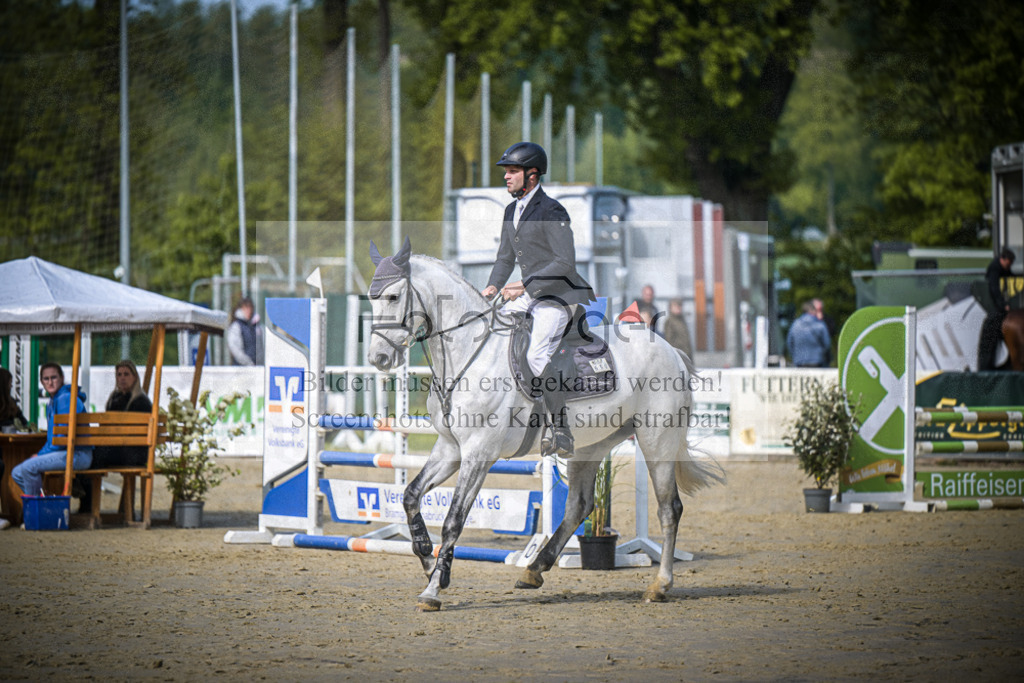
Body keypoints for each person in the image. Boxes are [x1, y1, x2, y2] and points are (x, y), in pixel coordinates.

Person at [481, 142, 596, 456]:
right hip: (529, 294)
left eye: (513, 170)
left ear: (532, 175)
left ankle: (561, 431)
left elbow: (564, 262)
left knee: (535, 357)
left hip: (558, 295)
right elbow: (505, 259)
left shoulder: (552, 210)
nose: (506, 176)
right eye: (506, 170)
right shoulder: (510, 210)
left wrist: (525, 284)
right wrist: (492, 287)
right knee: (490, 334)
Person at [76, 360, 153, 512]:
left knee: (92, 456)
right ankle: (86, 502)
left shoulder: (141, 402)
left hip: (134, 454)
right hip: (118, 449)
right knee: (88, 454)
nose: (122, 378)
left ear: (135, 377)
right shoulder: (114, 399)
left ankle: (87, 506)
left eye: (126, 374)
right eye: (119, 375)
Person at [12, 363, 92, 499]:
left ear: (61, 378)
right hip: (66, 453)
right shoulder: (54, 400)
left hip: (77, 454)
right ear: (41, 381)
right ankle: (42, 504)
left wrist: (40, 455)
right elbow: (53, 439)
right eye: (46, 379)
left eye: (54, 377)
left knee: (28, 468)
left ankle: (37, 512)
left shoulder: (66, 398)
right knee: (17, 472)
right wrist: (40, 454)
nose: (50, 382)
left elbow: (62, 439)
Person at [978, 248, 1016, 371]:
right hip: (996, 309)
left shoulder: (1003, 269)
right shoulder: (994, 269)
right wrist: (1002, 304)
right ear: (1003, 260)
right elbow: (994, 288)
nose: (1008, 266)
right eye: (1008, 263)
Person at [0, 367, 28, 529]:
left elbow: (23, 424)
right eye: (9, 383)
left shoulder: (12, 405)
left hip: (11, 448)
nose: (11, 386)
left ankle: (20, 512)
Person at [787, 301, 831, 368]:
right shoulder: (820, 324)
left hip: (799, 362)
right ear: (813, 311)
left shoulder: (795, 324)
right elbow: (827, 344)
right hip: (817, 362)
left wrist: (795, 356)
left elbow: (790, 343)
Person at [227, 296, 264, 366]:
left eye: (250, 308)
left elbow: (261, 347)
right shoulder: (236, 326)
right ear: (240, 309)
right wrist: (248, 363)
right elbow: (235, 348)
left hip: (257, 368)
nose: (248, 311)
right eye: (245, 308)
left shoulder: (257, 326)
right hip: (240, 368)